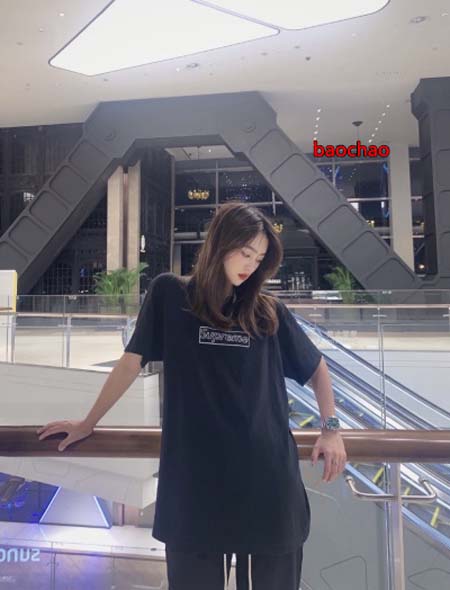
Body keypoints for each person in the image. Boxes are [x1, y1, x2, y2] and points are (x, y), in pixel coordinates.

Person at [37, 202, 347, 589]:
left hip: (268, 483)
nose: (250, 265)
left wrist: (331, 429)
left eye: (259, 258)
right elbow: (130, 363)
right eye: (245, 252)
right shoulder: (170, 293)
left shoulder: (268, 312)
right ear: (220, 243)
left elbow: (317, 369)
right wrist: (88, 423)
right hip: (194, 487)